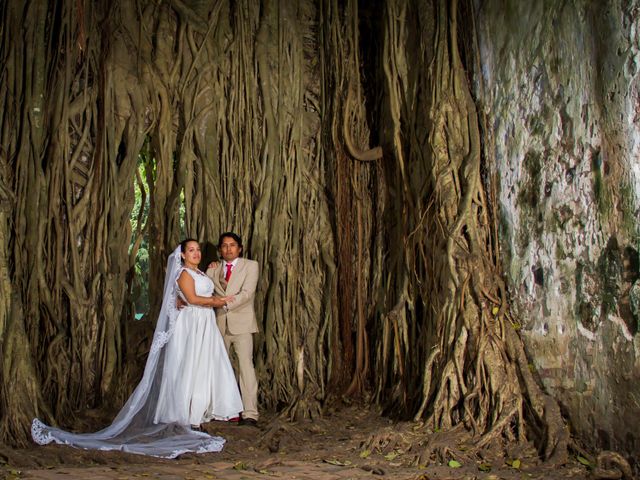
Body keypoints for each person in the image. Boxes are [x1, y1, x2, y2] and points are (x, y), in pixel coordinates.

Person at [31, 239, 243, 458]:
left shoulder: (200, 273)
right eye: (191, 250)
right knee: (188, 368)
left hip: (203, 324)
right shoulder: (183, 274)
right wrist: (218, 302)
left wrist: (211, 280)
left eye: (198, 250)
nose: (196, 253)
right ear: (181, 255)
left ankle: (196, 416)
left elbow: (189, 297)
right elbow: (192, 298)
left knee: (202, 368)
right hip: (191, 326)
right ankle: (184, 417)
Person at [206, 232, 260, 426]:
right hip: (219, 324)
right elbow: (204, 291)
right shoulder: (212, 270)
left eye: (232, 245)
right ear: (220, 250)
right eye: (224, 246)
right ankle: (225, 411)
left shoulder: (250, 266)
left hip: (242, 325)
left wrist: (221, 303)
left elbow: (247, 293)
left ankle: (250, 413)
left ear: (240, 248)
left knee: (246, 368)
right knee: (220, 369)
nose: (228, 249)